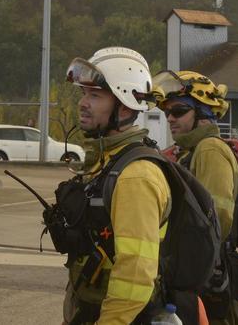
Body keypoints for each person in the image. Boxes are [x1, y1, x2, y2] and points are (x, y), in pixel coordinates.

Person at [59, 47, 176, 325]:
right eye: (84, 93)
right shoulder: (107, 161)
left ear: (124, 106)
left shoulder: (136, 175)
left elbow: (135, 274)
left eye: (95, 95)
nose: (83, 103)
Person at [153, 70, 238, 324]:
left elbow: (218, 218)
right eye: (167, 112)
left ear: (203, 113)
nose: (170, 118)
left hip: (204, 280)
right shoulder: (190, 152)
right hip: (191, 275)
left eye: (178, 111)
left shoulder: (210, 149)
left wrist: (192, 268)